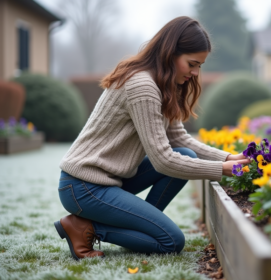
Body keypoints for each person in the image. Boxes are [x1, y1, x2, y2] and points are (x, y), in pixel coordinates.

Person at [54, 16, 250, 260]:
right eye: (192, 64)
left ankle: (140, 227)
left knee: (185, 155)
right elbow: (163, 161)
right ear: (170, 53)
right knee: (171, 241)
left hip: (110, 180)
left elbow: (180, 141)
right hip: (83, 186)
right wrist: (222, 169)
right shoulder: (142, 86)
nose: (196, 72)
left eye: (200, 66)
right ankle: (84, 227)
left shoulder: (164, 84)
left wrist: (230, 157)